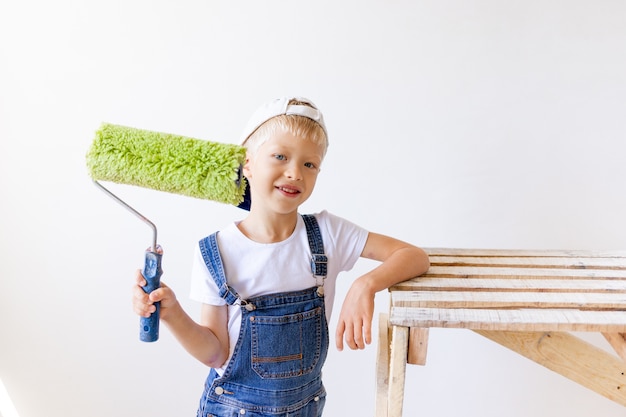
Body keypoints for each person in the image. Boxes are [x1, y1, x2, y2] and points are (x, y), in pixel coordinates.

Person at [132, 96, 430, 416]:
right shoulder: (216, 252)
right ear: (247, 162)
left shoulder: (328, 235)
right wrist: (171, 312)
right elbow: (216, 353)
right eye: (280, 156)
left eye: (309, 164)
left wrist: (366, 284)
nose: (294, 173)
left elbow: (413, 256)